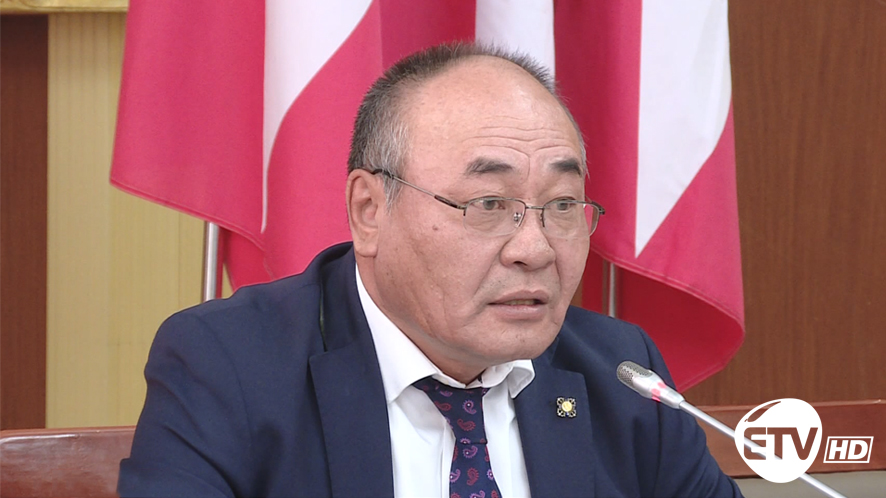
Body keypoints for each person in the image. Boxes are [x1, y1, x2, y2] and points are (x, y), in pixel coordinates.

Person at [118, 43, 741, 498]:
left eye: (561, 206)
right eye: (488, 204)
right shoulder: (228, 364)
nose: (535, 249)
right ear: (369, 210)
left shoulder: (623, 375)